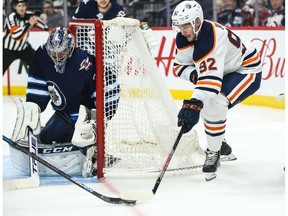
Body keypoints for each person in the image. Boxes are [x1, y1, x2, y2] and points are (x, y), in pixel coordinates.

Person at [171, 1, 262, 181]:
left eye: (185, 26)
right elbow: (178, 66)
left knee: (214, 103)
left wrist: (193, 103)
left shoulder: (212, 38)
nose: (182, 31)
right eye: (179, 26)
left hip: (245, 69)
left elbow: (211, 84)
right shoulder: (184, 37)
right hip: (224, 72)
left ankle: (214, 151)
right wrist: (198, 77)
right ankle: (221, 145)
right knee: (207, 104)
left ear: (197, 22)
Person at [12, 27, 119, 177]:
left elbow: (108, 88)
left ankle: (95, 149)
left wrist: (97, 120)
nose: (56, 57)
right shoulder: (42, 56)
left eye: (61, 53)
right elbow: (38, 86)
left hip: (85, 116)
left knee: (80, 138)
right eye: (53, 53)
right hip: (64, 114)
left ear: (70, 49)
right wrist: (33, 107)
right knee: (46, 137)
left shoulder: (85, 62)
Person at [2, 0, 48, 75]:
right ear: (15, 7)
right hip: (7, 50)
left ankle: (44, 84)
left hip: (24, 49)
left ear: (26, 6)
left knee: (40, 65)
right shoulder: (11, 17)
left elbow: (42, 24)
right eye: (19, 6)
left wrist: (47, 28)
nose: (21, 8)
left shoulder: (29, 15)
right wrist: (29, 24)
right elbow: (16, 36)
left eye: (23, 5)